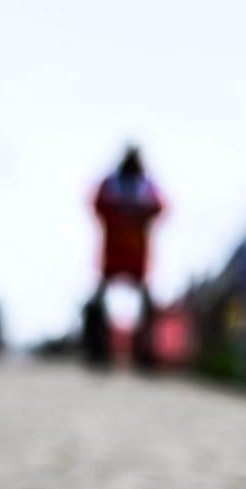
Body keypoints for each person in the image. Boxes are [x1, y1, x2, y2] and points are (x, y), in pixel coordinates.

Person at [85, 146, 168, 368]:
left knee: (147, 306)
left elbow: (161, 207)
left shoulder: (146, 186)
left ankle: (146, 352)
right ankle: (97, 350)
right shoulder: (112, 184)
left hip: (136, 256)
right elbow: (95, 203)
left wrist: (134, 214)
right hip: (114, 254)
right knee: (97, 303)